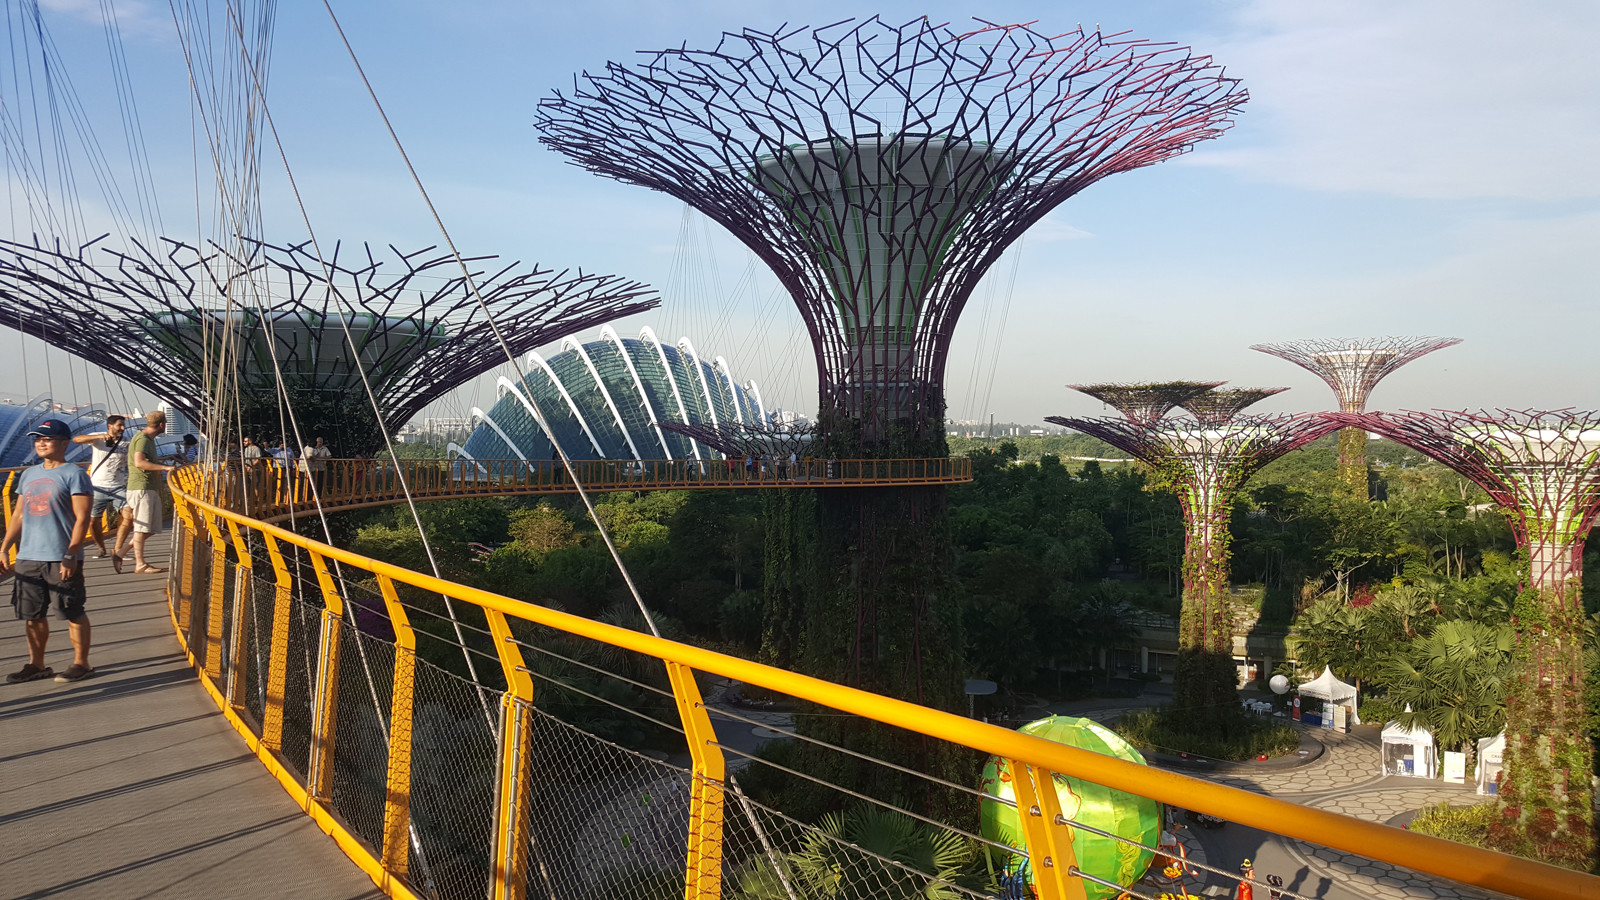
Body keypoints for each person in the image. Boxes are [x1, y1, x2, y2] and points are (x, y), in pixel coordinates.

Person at [3, 419, 95, 683]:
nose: (41, 443)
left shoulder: (73, 474)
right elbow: (19, 515)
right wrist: (5, 546)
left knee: (72, 611)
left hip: (60, 556)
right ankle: (37, 665)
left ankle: (82, 663)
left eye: (48, 438)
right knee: (32, 615)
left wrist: (71, 553)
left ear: (64, 443)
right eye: (38, 439)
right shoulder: (29, 474)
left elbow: (82, 517)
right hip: (28, 556)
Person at [72, 414, 132, 571]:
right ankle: (101, 548)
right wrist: (100, 436)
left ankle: (117, 549)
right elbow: (76, 439)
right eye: (119, 425)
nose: (122, 428)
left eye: (123, 425)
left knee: (128, 515)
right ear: (109, 426)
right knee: (93, 520)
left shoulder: (126, 441)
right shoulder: (97, 438)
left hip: (119, 485)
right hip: (97, 486)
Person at [126, 410, 177, 574]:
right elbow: (139, 462)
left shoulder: (146, 439)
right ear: (161, 425)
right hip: (142, 487)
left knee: (152, 526)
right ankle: (139, 564)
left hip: (147, 487)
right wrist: (165, 467)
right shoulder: (142, 440)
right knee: (142, 527)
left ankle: (120, 553)